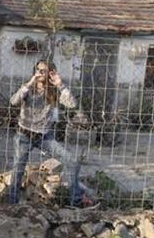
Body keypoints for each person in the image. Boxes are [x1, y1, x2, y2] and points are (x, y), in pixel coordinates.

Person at [8, 60, 94, 207]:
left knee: (72, 161)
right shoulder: (28, 88)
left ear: (50, 73)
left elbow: (73, 104)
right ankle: (12, 204)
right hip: (24, 135)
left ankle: (76, 201)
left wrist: (60, 84)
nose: (41, 72)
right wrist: (30, 82)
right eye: (38, 69)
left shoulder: (54, 91)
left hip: (44, 137)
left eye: (44, 70)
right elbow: (13, 101)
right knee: (18, 170)